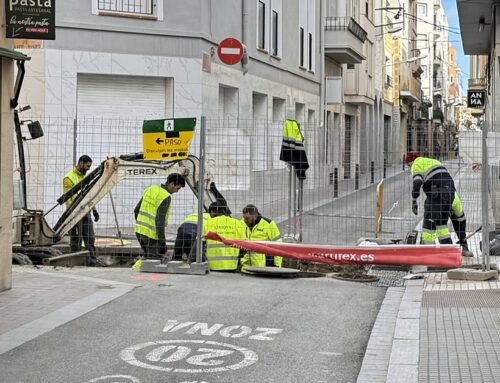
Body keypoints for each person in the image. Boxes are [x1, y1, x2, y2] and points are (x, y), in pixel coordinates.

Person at [406, 151, 473, 257]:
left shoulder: (416, 164)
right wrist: (462, 239)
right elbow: (460, 219)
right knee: (441, 225)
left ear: (410, 162)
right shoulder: (434, 161)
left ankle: (427, 253)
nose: (410, 168)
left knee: (429, 222)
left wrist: (414, 199)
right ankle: (450, 252)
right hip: (451, 193)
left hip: (437, 194)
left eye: (408, 166)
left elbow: (417, 182)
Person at [134, 173, 185, 266]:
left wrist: (140, 225)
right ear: (172, 184)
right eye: (177, 188)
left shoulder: (150, 189)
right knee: (153, 263)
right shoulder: (165, 197)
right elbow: (159, 221)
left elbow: (136, 210)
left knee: (146, 258)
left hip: (139, 231)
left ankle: (135, 270)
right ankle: (138, 274)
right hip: (152, 236)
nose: (177, 191)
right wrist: (162, 242)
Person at [63, 155, 99, 266]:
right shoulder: (69, 178)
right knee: (75, 239)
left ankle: (92, 262)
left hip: (86, 212)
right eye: (87, 166)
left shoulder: (85, 177)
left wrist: (94, 210)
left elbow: (89, 195)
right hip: (74, 213)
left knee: (90, 238)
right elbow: (69, 199)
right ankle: (75, 261)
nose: (88, 168)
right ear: (81, 162)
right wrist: (73, 214)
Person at [203, 202, 247, 271]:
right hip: (232, 267)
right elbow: (245, 247)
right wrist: (241, 264)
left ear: (212, 212)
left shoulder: (208, 223)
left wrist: (190, 261)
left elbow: (199, 244)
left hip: (213, 267)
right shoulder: (237, 223)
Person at [240, 204, 282, 272]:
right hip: (246, 268)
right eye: (244, 217)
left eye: (247, 218)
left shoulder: (268, 224)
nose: (245, 220)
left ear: (255, 216)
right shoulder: (241, 223)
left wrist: (277, 266)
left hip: (263, 269)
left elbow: (279, 245)